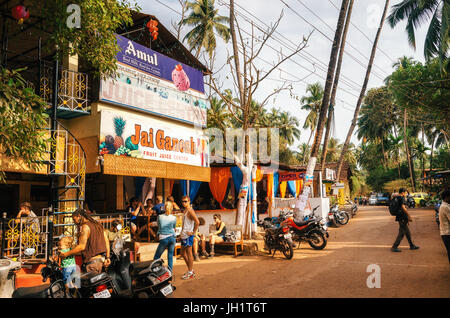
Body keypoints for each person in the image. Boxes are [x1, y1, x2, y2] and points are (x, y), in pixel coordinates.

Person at [60, 208, 110, 274]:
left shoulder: (85, 227)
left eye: (74, 219)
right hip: (102, 261)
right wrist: (108, 257)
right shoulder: (98, 225)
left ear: (79, 216)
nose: (74, 222)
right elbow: (107, 242)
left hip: (93, 264)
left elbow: (81, 247)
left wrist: (65, 254)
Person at [391, 188, 420, 252]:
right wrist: (409, 216)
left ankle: (411, 245)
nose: (406, 194)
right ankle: (394, 246)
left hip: (399, 216)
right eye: (405, 193)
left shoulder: (396, 197)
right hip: (402, 217)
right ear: (403, 192)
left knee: (407, 232)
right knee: (402, 232)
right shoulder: (402, 198)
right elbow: (403, 207)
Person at [153, 201, 177, 272]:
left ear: (164, 208)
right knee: (170, 256)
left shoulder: (160, 217)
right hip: (172, 237)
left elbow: (159, 227)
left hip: (163, 237)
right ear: (172, 208)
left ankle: (157, 271)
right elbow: (174, 227)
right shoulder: (174, 218)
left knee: (157, 256)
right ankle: (170, 272)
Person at [180, 195, 200, 280]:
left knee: (189, 253)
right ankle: (190, 270)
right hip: (184, 234)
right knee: (182, 253)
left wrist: (193, 232)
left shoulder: (190, 211)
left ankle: (190, 271)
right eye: (183, 201)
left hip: (188, 235)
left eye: (185, 201)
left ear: (189, 202)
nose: (184, 203)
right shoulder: (185, 210)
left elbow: (197, 222)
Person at [438, 190, 450, 263]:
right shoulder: (445, 207)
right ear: (447, 197)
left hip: (445, 233)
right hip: (447, 233)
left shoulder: (445, 206)